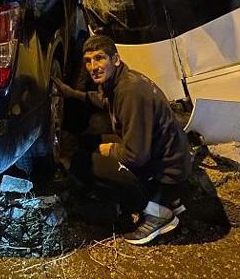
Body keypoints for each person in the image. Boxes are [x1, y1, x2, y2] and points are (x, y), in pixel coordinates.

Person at [53, 35, 192, 245]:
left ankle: (156, 212)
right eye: (88, 61)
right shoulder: (120, 81)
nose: (93, 67)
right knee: (88, 145)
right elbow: (104, 100)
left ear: (115, 59)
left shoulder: (130, 92)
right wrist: (72, 94)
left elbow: (136, 156)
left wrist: (108, 149)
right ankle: (159, 199)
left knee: (86, 163)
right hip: (162, 160)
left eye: (100, 58)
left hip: (166, 174)